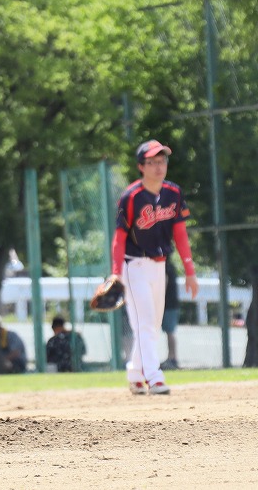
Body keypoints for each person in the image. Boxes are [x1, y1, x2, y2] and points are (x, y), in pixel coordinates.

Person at [107, 140, 199, 395]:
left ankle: (136, 373)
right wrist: (116, 273)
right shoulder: (131, 197)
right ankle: (154, 377)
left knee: (151, 326)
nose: (159, 166)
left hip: (160, 267)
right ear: (141, 166)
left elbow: (180, 234)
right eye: (152, 162)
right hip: (133, 265)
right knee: (146, 323)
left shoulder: (173, 193)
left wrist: (190, 271)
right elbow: (119, 238)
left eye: (162, 161)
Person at [160, 260, 181, 370]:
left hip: (168, 305)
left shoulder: (165, 267)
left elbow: (164, 284)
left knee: (170, 332)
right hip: (169, 305)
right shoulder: (169, 266)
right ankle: (171, 358)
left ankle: (172, 358)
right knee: (169, 331)